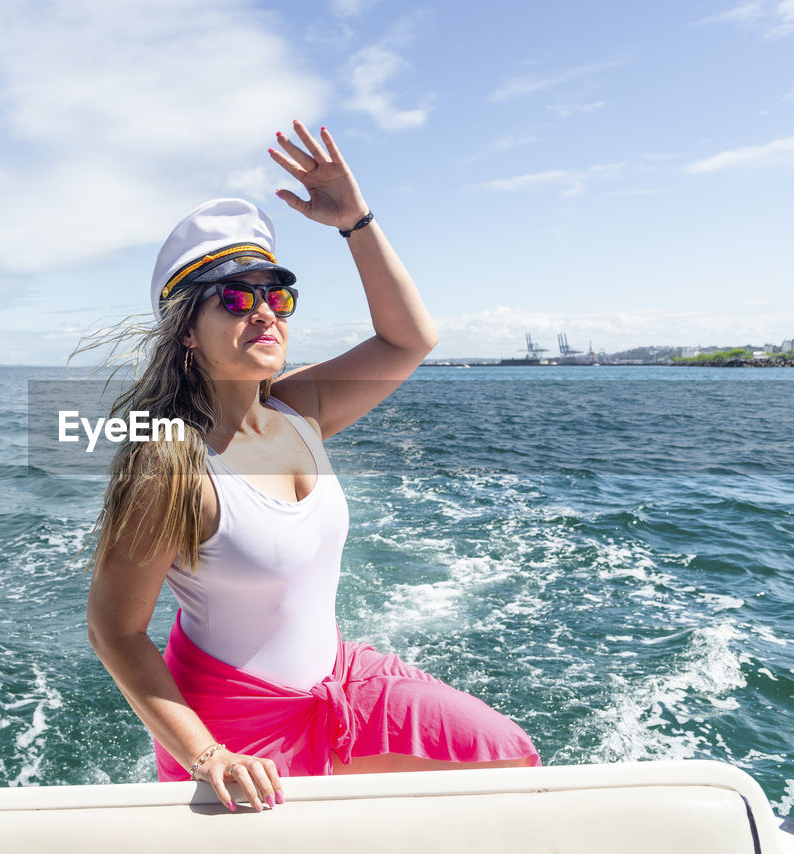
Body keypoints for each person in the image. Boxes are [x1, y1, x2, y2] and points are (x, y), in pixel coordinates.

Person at [84, 120, 539, 814]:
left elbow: (410, 338)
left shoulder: (300, 409)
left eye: (276, 295)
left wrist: (354, 221)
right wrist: (209, 756)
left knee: (506, 759)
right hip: (234, 731)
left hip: (339, 680)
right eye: (236, 297)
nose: (264, 311)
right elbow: (113, 630)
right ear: (186, 335)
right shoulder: (170, 464)